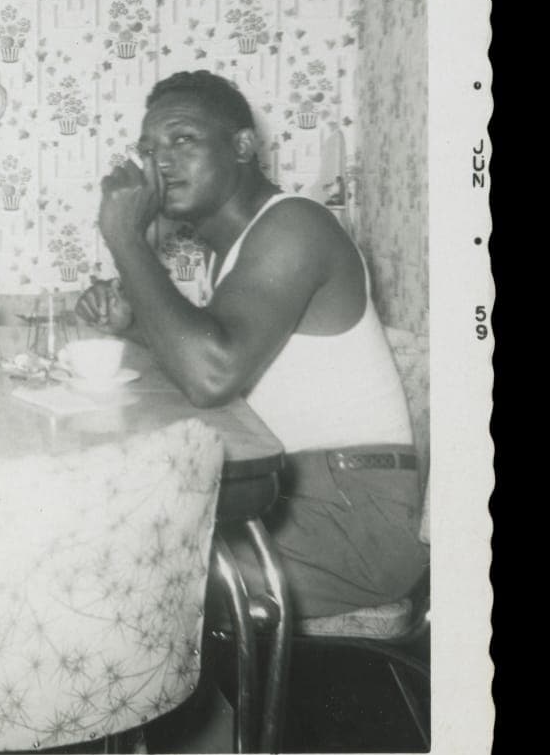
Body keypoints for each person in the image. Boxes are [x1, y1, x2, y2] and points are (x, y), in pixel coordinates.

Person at [76, 70, 427, 618]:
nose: (160, 162)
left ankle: (212, 706)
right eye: (148, 148)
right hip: (298, 494)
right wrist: (133, 324)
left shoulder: (294, 227)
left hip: (353, 518)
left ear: (241, 145)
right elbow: (219, 354)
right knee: (104, 526)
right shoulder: (233, 250)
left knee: (122, 568)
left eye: (183, 140)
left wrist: (124, 238)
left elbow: (211, 376)